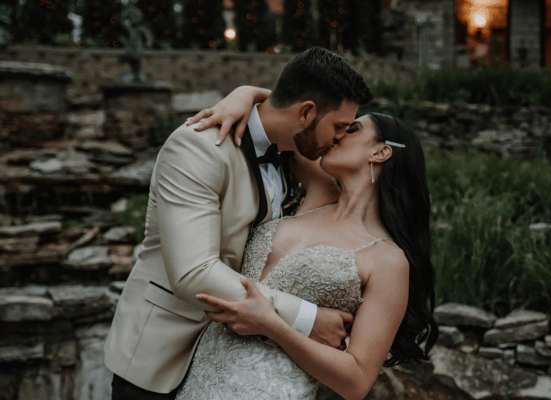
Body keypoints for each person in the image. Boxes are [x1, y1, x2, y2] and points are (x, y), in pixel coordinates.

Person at [104, 47, 373, 400]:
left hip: (233, 363)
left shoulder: (293, 151)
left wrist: (248, 91)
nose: (339, 137)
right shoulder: (198, 147)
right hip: (162, 358)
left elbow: (281, 104)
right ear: (306, 112)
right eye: (338, 126)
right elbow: (194, 273)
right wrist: (307, 319)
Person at [175, 88, 438, 399]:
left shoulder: (388, 261)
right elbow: (288, 112)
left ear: (380, 152)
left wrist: (273, 326)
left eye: (351, 129)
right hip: (200, 379)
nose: (337, 135)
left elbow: (356, 381)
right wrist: (244, 93)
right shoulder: (320, 192)